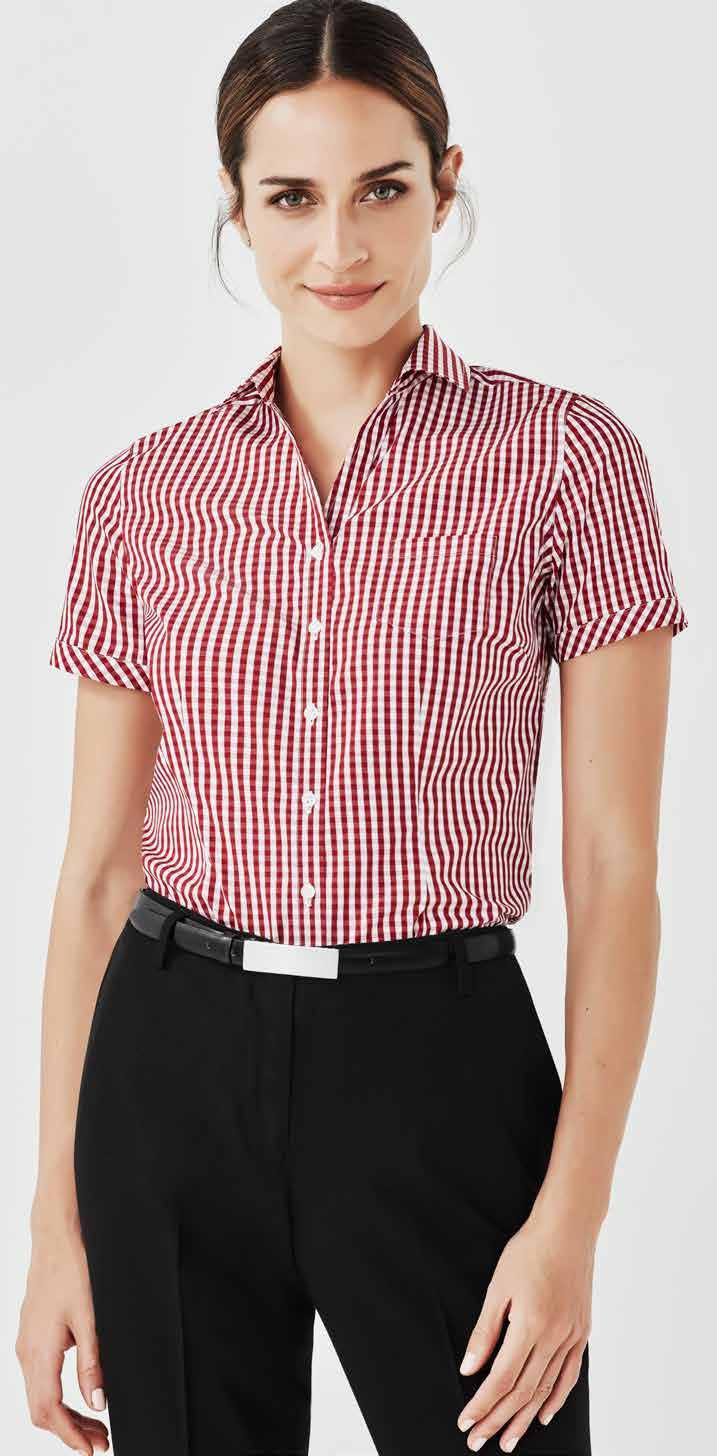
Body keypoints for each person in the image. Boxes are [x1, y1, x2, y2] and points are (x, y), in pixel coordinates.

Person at [16, 2, 689, 1454]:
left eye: (382, 189)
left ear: (446, 184)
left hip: (440, 1064)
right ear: (235, 205)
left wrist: (571, 1224)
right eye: (292, 198)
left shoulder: (567, 461)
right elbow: (95, 877)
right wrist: (53, 1225)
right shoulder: (142, 494)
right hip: (170, 1066)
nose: (340, 246)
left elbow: (615, 867)